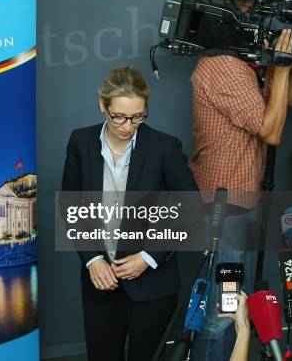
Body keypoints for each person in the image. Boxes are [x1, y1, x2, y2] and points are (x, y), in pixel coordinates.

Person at [190, 0, 292, 361]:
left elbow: (288, 100)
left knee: (229, 305)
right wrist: (282, 68)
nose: (262, 12)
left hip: (240, 204)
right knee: (223, 312)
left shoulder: (242, 63)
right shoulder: (224, 67)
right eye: (255, 2)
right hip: (225, 212)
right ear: (236, 7)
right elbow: (271, 131)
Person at [62, 66, 199, 360]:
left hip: (153, 286)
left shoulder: (165, 147)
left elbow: (191, 207)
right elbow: (71, 205)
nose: (128, 125)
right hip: (100, 283)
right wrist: (92, 259)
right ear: (103, 105)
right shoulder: (80, 142)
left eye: (138, 116)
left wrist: (148, 257)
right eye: (120, 116)